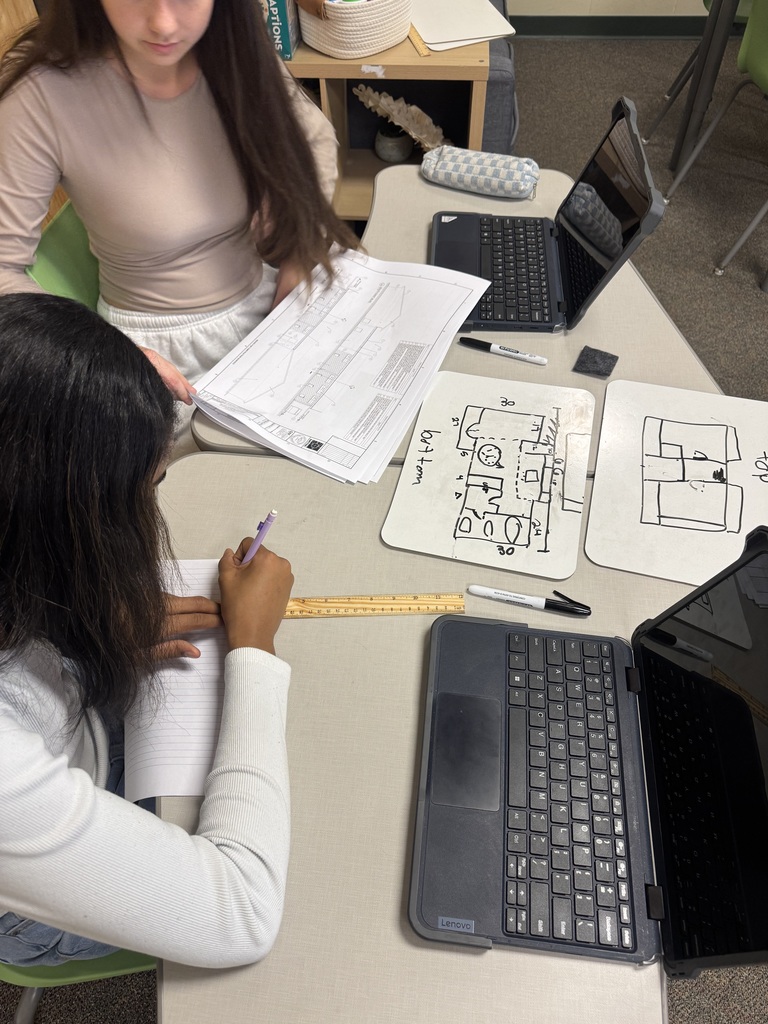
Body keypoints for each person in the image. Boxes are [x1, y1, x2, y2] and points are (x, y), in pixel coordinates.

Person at [0, 292, 295, 968]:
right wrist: (254, 649)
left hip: (71, 730)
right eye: (148, 486)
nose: (149, 507)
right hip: (31, 904)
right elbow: (241, 915)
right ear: (63, 525)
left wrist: (85, 633)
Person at [0, 0, 359, 405]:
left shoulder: (227, 45)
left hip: (269, 302)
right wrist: (105, 354)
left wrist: (299, 256)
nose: (163, 24)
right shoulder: (40, 94)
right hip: (151, 354)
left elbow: (313, 141)